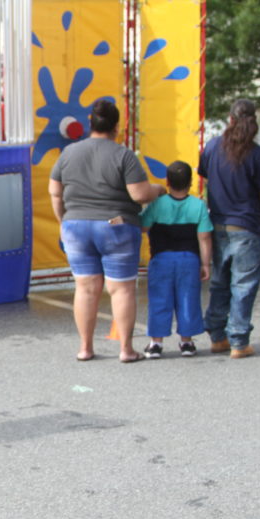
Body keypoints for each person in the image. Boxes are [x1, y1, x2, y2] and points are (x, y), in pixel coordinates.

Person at [48, 99, 165, 362]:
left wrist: (63, 221)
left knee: (85, 288)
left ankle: (85, 348)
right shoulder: (123, 155)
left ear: (90, 122)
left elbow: (55, 192)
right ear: (116, 126)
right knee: (121, 289)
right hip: (116, 225)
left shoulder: (69, 153)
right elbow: (140, 194)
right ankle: (125, 349)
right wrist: (158, 189)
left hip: (76, 226)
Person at [199, 98, 260, 359]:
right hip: (247, 227)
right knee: (243, 285)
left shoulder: (211, 148)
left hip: (217, 224)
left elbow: (206, 176)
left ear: (230, 120)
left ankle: (217, 336)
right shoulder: (259, 154)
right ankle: (239, 341)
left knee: (220, 283)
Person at [139, 160, 213, 359]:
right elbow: (204, 238)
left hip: (161, 259)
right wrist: (206, 264)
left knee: (159, 299)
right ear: (190, 183)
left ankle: (156, 343)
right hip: (189, 259)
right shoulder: (198, 205)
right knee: (188, 299)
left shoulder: (156, 204)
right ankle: (187, 342)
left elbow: (143, 227)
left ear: (167, 182)